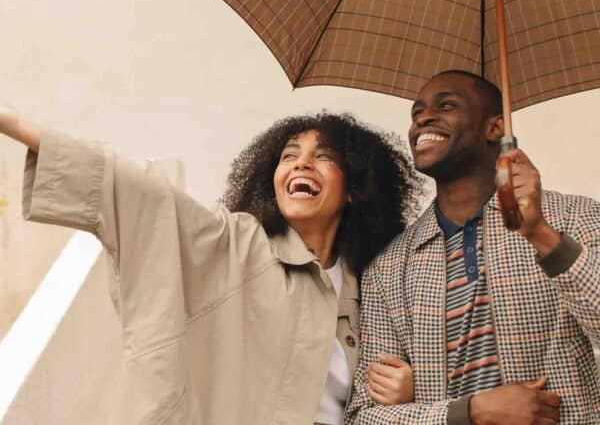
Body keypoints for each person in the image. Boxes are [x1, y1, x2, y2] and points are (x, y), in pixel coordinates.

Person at [1, 108, 421, 424]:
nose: (301, 164)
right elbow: (144, 196)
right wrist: (12, 122)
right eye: (289, 155)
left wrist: (404, 391)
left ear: (356, 188)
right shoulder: (235, 244)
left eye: (322, 156)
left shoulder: (371, 281)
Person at [346, 70, 600, 424]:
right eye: (416, 112)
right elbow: (364, 417)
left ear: (495, 128)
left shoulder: (574, 219)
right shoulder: (389, 269)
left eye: (446, 105)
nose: (423, 118)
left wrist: (541, 234)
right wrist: (469, 412)